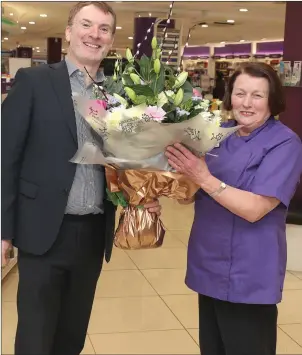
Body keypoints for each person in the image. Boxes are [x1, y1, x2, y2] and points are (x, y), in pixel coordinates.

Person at [1, 2, 161, 354]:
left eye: (104, 29)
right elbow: (5, 159)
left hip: (92, 232)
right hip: (41, 229)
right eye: (86, 25)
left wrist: (144, 191)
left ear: (111, 39)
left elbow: (127, 162)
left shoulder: (120, 94)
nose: (95, 34)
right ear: (69, 31)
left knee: (72, 334)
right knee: (35, 336)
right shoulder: (35, 81)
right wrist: (3, 232)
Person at [165, 62, 302, 355]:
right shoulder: (216, 133)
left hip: (249, 270)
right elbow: (188, 194)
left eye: (257, 95)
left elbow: (256, 208)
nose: (247, 103)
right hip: (208, 261)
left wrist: (203, 177)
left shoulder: (284, 143)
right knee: (213, 348)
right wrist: (157, 186)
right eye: (240, 93)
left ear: (272, 100)